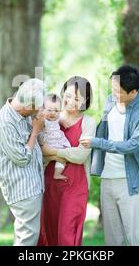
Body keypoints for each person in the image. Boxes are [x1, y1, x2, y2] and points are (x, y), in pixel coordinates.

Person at [80, 64, 139, 246]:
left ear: (134, 92)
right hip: (108, 179)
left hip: (131, 183)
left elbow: (133, 145)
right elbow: (105, 129)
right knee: (113, 240)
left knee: (138, 239)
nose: (113, 94)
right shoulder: (110, 101)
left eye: (118, 91)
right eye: (112, 89)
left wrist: (97, 143)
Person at [38, 76, 97, 246]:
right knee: (48, 231)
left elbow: (81, 155)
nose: (70, 101)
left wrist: (53, 152)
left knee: (67, 234)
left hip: (75, 186)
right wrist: (58, 154)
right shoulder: (51, 117)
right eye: (68, 95)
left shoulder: (89, 123)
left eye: (77, 98)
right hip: (50, 183)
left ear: (85, 101)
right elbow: (40, 150)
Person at [0, 78, 46, 246]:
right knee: (27, 238)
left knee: (26, 235)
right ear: (27, 106)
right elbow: (21, 158)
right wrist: (35, 130)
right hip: (22, 188)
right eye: (37, 108)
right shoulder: (6, 122)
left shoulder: (24, 115)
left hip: (32, 185)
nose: (40, 111)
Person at [39, 94, 71, 181]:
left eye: (56, 110)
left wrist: (63, 121)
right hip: (47, 144)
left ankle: (57, 173)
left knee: (63, 158)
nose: (53, 113)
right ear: (43, 110)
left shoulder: (58, 118)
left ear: (60, 111)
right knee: (42, 165)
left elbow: (61, 118)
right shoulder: (43, 120)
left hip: (58, 143)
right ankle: (40, 179)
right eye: (49, 110)